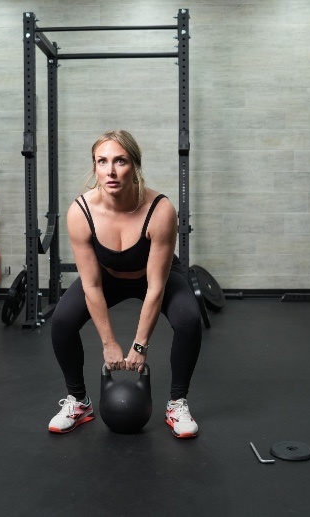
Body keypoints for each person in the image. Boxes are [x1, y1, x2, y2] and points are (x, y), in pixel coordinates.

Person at [47, 130, 203, 438]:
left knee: (189, 320)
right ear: (94, 167)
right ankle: (79, 402)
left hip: (155, 277)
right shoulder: (81, 212)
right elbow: (91, 286)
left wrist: (139, 345)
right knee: (62, 321)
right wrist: (109, 344)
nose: (111, 170)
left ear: (135, 165)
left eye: (120, 161)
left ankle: (177, 403)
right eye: (102, 161)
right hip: (107, 278)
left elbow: (155, 286)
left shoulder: (160, 210)